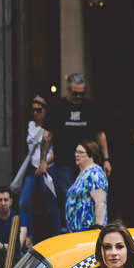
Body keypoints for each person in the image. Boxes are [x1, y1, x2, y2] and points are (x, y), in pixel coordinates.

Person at [39, 73, 110, 219]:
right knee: (69, 197)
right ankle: (71, 227)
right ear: (68, 90)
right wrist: (43, 160)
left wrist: (106, 159)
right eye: (75, 93)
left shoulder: (90, 108)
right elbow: (47, 136)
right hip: (64, 161)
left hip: (88, 163)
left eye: (82, 93)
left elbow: (100, 135)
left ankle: (91, 225)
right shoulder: (58, 108)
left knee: (92, 196)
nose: (78, 96)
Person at [19, 94, 61, 239]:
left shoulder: (50, 126)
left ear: (45, 110)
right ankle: (28, 235)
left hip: (47, 168)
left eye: (39, 110)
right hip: (33, 168)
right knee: (24, 201)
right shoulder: (30, 125)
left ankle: (57, 235)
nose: (36, 113)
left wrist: (45, 164)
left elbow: (57, 151)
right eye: (33, 110)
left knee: (51, 204)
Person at [65, 140, 109, 233]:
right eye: (76, 152)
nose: (77, 155)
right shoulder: (83, 173)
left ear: (91, 156)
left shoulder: (94, 173)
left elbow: (100, 203)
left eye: (81, 152)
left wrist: (98, 228)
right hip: (77, 230)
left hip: (88, 230)